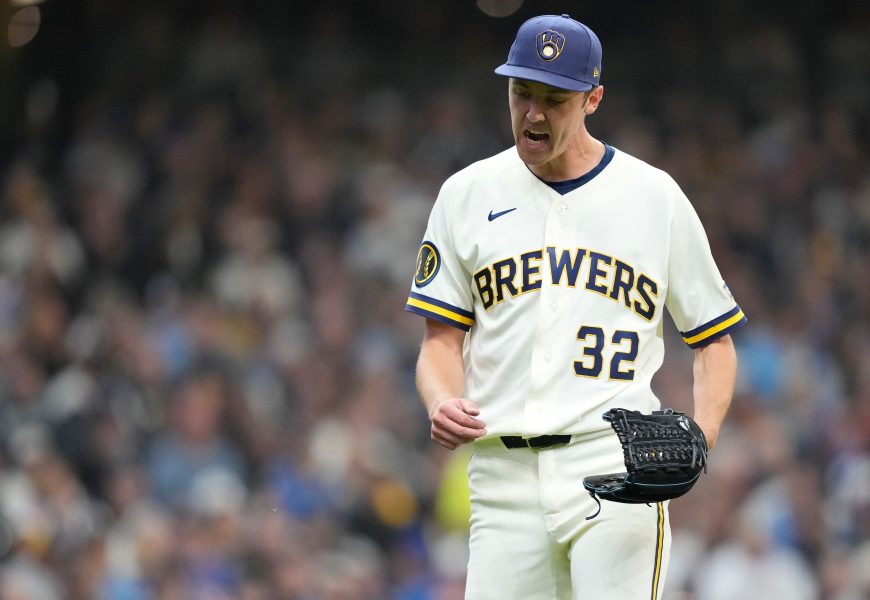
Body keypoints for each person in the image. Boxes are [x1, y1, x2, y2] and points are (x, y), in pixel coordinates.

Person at [405, 13, 746, 600]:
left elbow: (713, 339)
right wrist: (441, 399)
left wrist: (702, 436)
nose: (533, 114)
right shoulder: (466, 194)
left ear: (593, 99)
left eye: (554, 99)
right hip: (502, 479)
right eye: (522, 93)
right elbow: (440, 342)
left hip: (614, 464)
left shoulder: (653, 196)